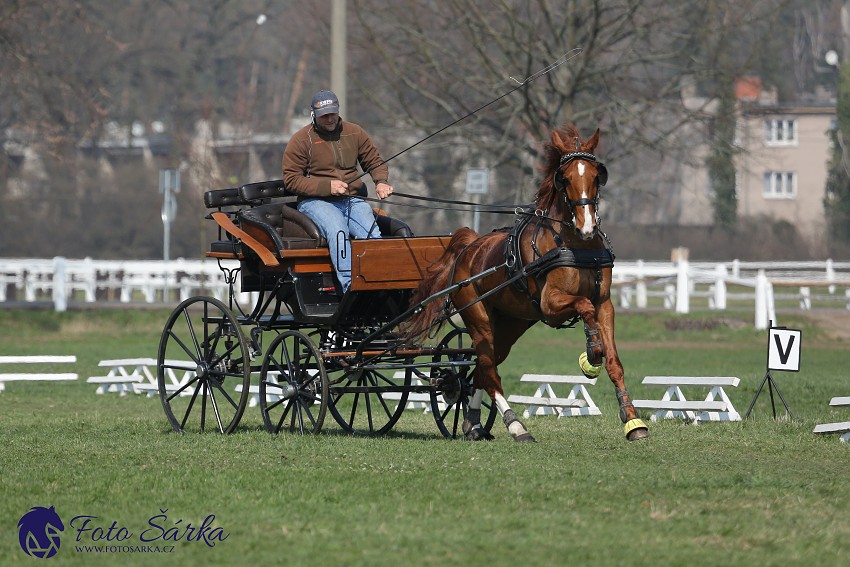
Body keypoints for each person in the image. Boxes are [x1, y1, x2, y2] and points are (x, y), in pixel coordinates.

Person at [282, 89, 393, 293]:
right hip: (316, 202)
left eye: (333, 113)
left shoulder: (354, 132)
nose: (330, 118)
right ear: (314, 114)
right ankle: (350, 286)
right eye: (324, 115)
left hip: (351, 199)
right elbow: (291, 180)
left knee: (371, 235)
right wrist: (327, 186)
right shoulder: (301, 140)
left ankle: (380, 283)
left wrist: (381, 182)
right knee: (338, 231)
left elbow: (374, 162)